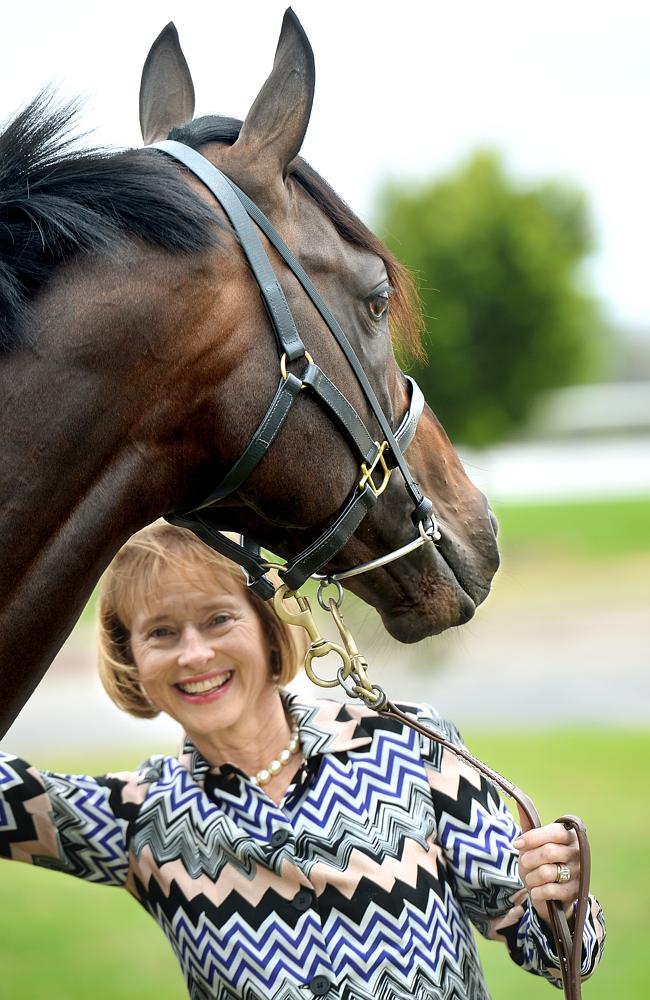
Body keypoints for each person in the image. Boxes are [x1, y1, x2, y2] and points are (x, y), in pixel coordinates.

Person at [0, 522, 605, 1000]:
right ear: (132, 660)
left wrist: (562, 898)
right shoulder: (140, 819)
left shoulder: (407, 745)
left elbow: (555, 951)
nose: (194, 654)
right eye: (160, 633)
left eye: (218, 619)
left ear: (267, 629)